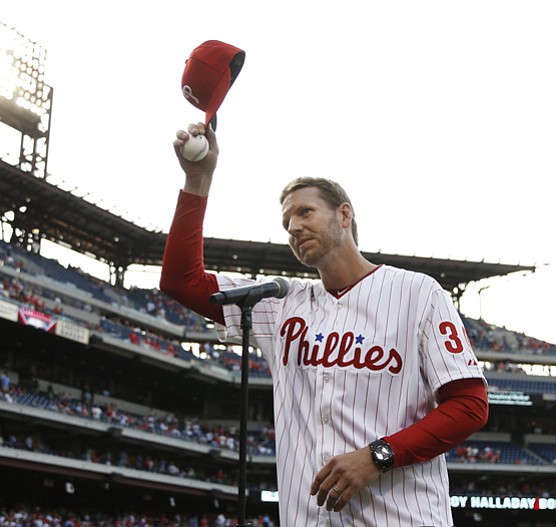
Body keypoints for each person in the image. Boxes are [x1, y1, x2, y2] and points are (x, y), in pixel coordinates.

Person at [160, 123, 489, 526]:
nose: (293, 227)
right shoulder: (279, 304)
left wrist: (377, 457)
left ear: (344, 214)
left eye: (305, 212)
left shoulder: (418, 293)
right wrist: (197, 179)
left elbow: (470, 405)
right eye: (286, 223)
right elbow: (181, 281)